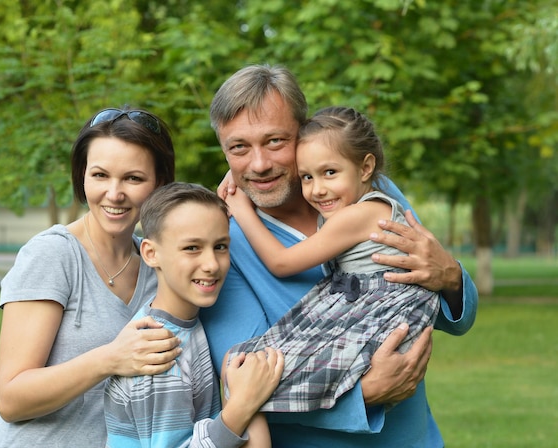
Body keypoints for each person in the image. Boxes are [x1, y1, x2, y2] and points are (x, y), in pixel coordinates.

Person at [199, 64, 478, 447]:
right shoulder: (222, 245)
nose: (259, 164)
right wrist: (363, 395)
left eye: (275, 141)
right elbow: (247, 383)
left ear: (303, 133)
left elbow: (448, 317)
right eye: (239, 148)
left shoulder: (370, 192)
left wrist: (451, 277)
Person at [0, 107, 182, 447]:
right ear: (82, 176)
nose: (114, 193)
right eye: (100, 175)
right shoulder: (53, 255)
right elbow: (11, 399)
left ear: (160, 183)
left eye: (133, 178)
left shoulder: (158, 267)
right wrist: (110, 359)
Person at [224, 106, 440, 413]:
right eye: (307, 177)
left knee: (258, 382)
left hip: (379, 315)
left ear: (366, 168)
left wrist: (241, 206)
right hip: (369, 306)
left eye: (330, 173)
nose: (317, 189)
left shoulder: (360, 214)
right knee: (252, 372)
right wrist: (243, 172)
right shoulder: (363, 203)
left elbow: (281, 263)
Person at [104, 182, 284, 448]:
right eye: (192, 248)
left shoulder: (182, 324)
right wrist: (243, 404)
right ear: (151, 254)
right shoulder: (158, 356)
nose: (211, 264)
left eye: (220, 246)